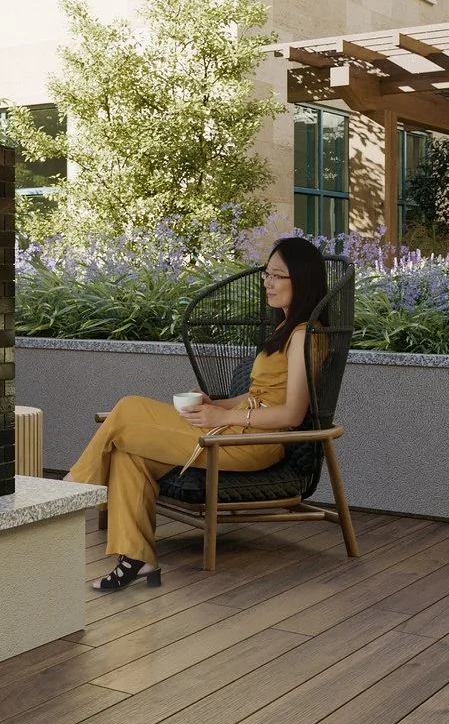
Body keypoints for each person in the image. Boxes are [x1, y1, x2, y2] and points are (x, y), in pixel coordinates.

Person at [70, 236, 332, 592]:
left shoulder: (305, 335)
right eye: (266, 275)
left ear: (302, 281)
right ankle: (138, 558)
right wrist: (214, 404)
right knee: (130, 454)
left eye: (277, 276)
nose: (267, 283)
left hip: (257, 442)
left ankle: (71, 493)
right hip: (236, 430)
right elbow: (258, 397)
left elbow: (291, 413)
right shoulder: (285, 329)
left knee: (129, 407)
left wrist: (223, 419)